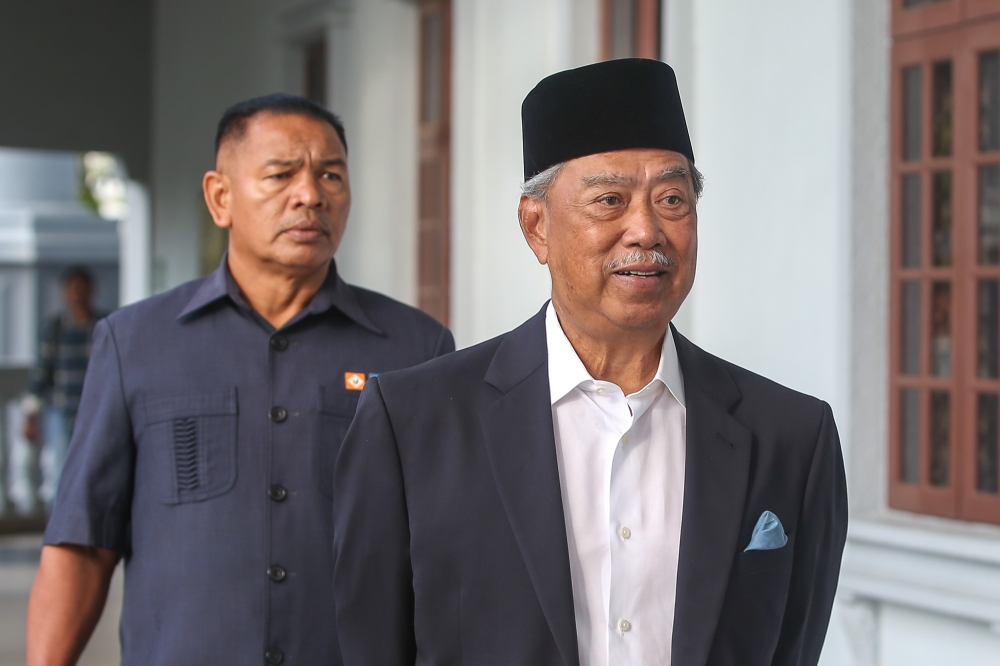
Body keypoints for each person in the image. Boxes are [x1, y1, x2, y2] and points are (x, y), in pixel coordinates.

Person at [333, 59, 848, 666]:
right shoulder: (413, 424)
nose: (646, 231)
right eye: (610, 200)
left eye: (672, 199)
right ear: (536, 226)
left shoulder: (791, 438)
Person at [27, 94, 454, 666]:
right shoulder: (135, 344)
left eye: (330, 175)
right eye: (281, 175)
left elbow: (449, 552)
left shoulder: (417, 349)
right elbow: (83, 542)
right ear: (220, 197)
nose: (310, 195)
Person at [21, 266, 102, 511]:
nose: (77, 294)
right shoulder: (55, 329)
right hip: (61, 411)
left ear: (91, 291)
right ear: (64, 293)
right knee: (59, 474)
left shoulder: (104, 326)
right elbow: (41, 374)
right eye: (72, 289)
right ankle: (59, 530)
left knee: (96, 474)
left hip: (97, 412)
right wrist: (30, 417)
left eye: (81, 288)